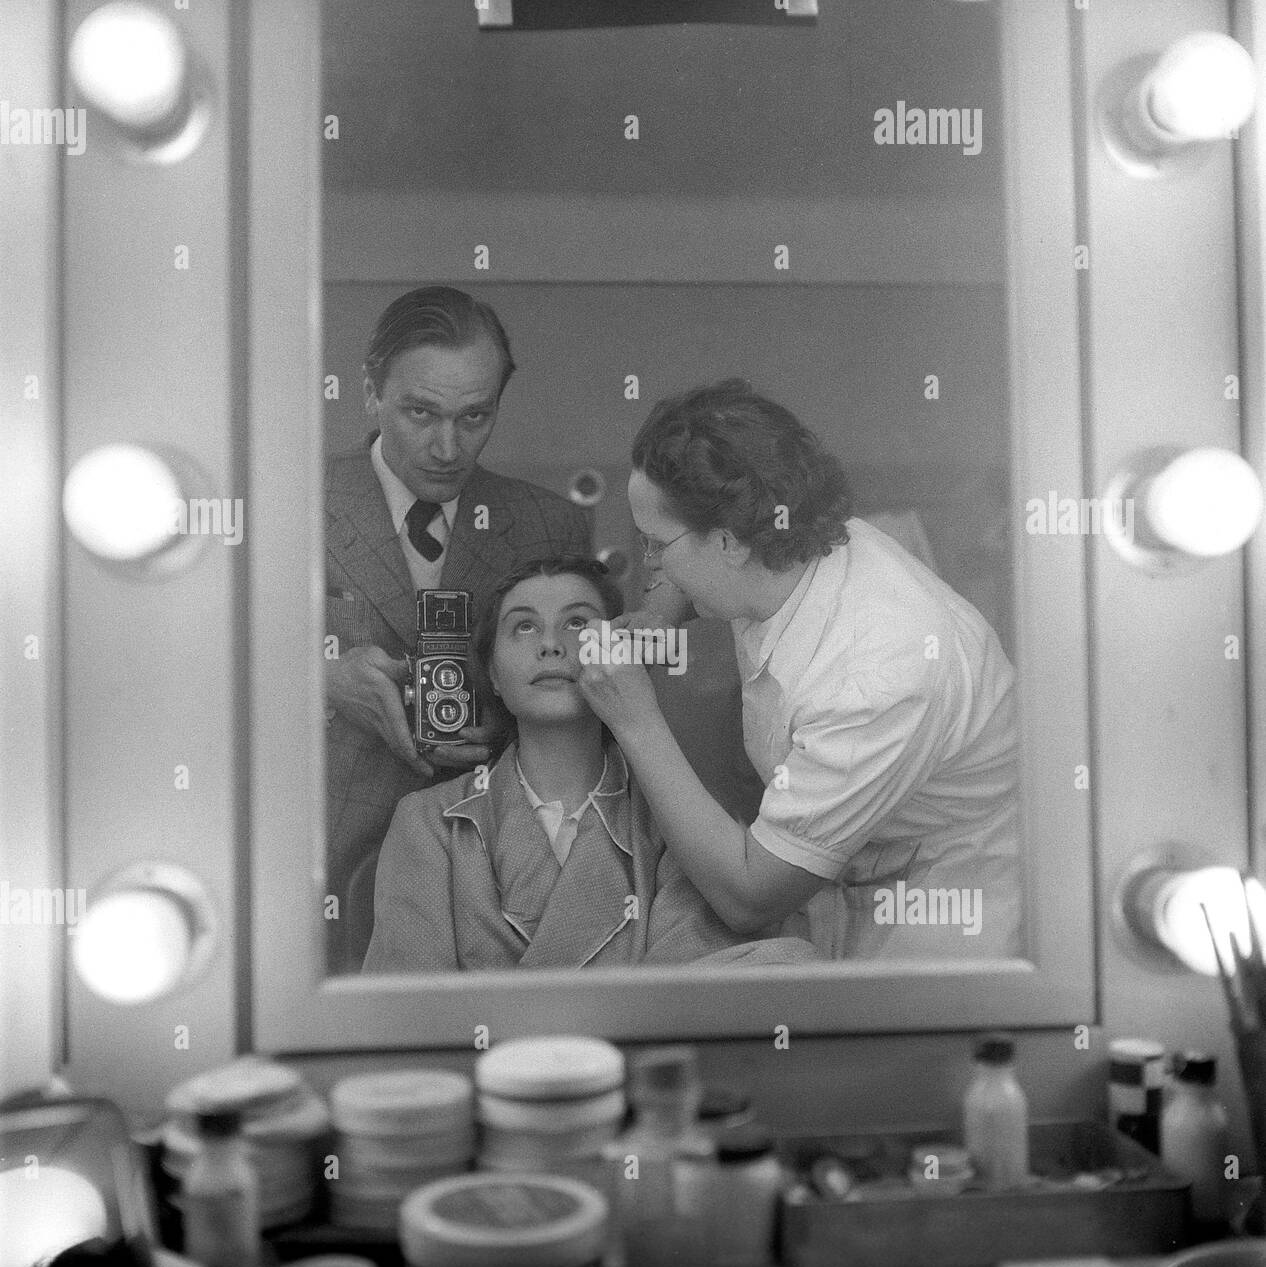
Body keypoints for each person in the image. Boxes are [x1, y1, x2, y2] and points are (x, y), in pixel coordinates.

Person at [579, 379, 1022, 960]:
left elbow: (751, 896)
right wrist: (660, 609)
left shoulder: (879, 678)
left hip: (950, 894)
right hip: (854, 864)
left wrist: (635, 722)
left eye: (657, 545)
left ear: (729, 543)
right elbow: (692, 563)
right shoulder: (779, 546)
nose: (652, 563)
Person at [363, 556, 819, 972]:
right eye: (523, 627)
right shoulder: (426, 822)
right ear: (495, 676)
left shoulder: (678, 820)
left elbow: (688, 1000)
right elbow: (408, 1015)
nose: (550, 645)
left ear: (619, 653)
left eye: (578, 623)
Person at [325, 287, 591, 971]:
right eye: (421, 413)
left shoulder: (548, 524)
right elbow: (196, 668)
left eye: (476, 417)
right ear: (369, 393)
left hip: (498, 867)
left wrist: (507, 723)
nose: (448, 447)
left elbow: (586, 697)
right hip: (316, 857)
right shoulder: (285, 503)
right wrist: (320, 679)